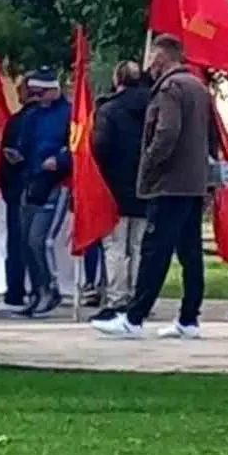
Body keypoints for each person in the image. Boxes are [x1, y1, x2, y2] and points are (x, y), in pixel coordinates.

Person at [92, 34, 214, 340]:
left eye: (151, 57)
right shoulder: (197, 87)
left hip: (170, 182)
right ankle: (189, 318)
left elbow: (166, 133)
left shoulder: (170, 88)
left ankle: (134, 317)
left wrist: (147, 167)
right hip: (193, 182)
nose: (148, 64)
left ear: (161, 57)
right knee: (190, 252)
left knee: (154, 249)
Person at [90, 61, 152, 318]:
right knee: (139, 246)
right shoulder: (154, 106)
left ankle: (117, 298)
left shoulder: (109, 110)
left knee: (115, 246)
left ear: (118, 80)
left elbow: (100, 148)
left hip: (114, 188)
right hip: (146, 186)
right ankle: (139, 297)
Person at [16, 68, 72, 317]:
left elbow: (78, 147)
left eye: (40, 92)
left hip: (56, 183)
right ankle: (37, 291)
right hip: (32, 182)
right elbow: (25, 144)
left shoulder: (68, 114)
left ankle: (52, 288)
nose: (36, 97)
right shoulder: (33, 116)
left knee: (41, 240)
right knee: (27, 242)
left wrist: (60, 161)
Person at [0, 78, 30, 309]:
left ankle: (16, 293)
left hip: (20, 187)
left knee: (19, 242)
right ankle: (32, 290)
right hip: (26, 187)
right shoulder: (19, 120)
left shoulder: (19, 122)